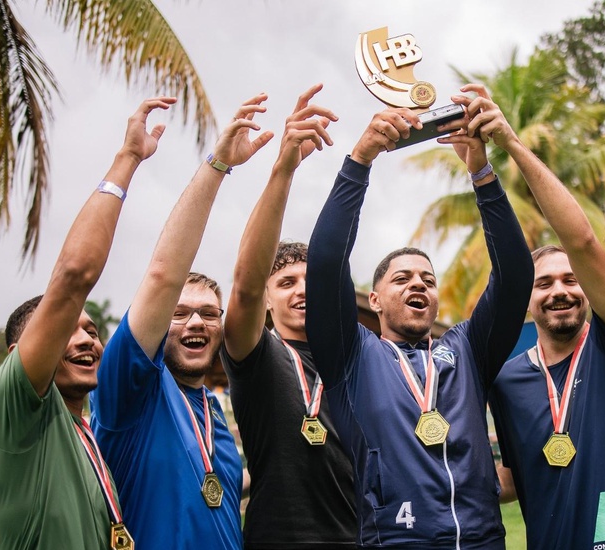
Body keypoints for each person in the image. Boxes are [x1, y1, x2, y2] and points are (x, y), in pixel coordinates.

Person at [305, 86, 534, 549]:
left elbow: (515, 274)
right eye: (402, 278)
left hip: (483, 540)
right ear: (374, 300)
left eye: (428, 280)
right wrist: (361, 160)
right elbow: (326, 262)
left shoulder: (467, 348)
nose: (418, 285)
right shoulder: (352, 355)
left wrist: (481, 172)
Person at [485, 78, 605, 549]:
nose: (560, 291)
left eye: (571, 280)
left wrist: (510, 143)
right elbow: (511, 481)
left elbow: (584, 241)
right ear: (527, 300)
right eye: (544, 283)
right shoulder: (505, 380)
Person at [0, 96, 174, 549]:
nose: (87, 340)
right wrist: (128, 158)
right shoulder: (14, 417)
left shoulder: (84, 432)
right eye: (68, 330)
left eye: (92, 330)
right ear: (19, 357)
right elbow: (73, 277)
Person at [89, 94, 274, 549]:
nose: (196, 322)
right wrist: (218, 166)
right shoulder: (131, 393)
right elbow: (162, 275)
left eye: (210, 314)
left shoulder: (211, 408)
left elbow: (218, 490)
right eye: (179, 312)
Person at [220, 84, 356, 548]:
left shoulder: (351, 360)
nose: (302, 290)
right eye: (286, 283)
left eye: (310, 280)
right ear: (267, 301)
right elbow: (245, 284)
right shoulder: (256, 355)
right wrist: (284, 168)